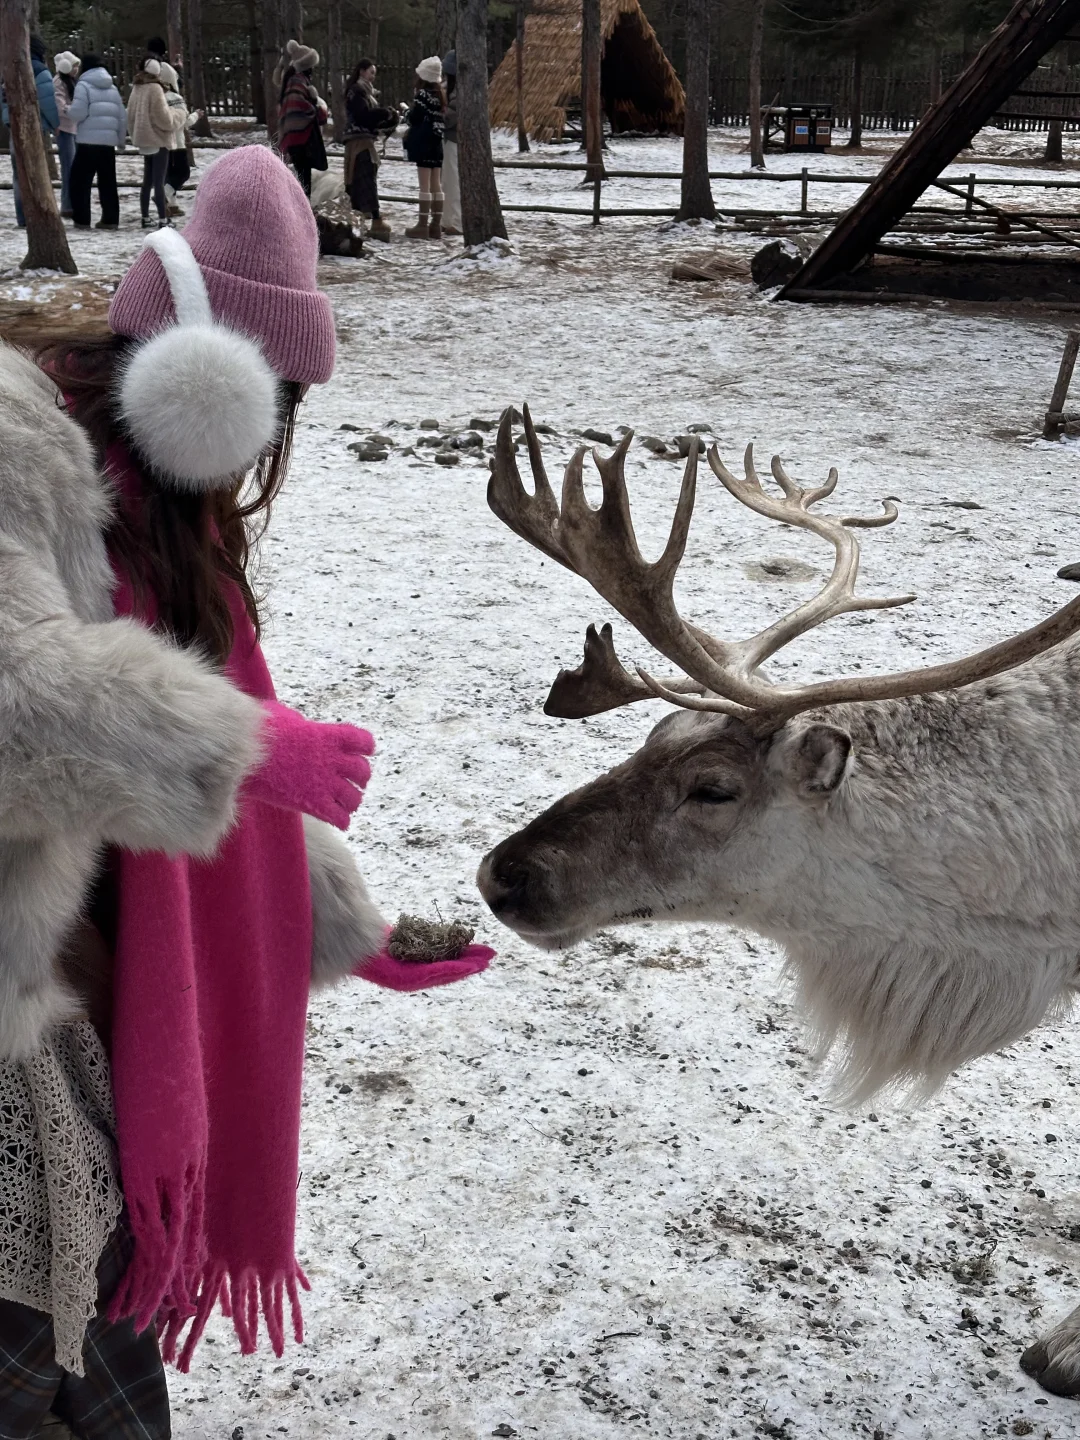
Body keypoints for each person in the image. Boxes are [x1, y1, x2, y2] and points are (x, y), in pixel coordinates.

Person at [0, 145, 492, 1435]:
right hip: (19, 1051)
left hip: (80, 1022)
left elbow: (209, 806)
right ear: (187, 374)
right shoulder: (16, 451)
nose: (262, 437)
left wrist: (346, 931)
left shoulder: (172, 513)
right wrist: (246, 749)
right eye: (262, 393)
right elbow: (18, 695)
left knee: (96, 1364)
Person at [2, 35, 59, 228]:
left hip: (13, 124)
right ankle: (38, 213)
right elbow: (48, 102)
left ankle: (22, 216)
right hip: (35, 126)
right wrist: (55, 124)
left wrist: (7, 119)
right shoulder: (40, 71)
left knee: (19, 173)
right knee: (36, 171)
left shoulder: (7, 68)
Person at [67, 54, 126, 230]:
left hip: (87, 142)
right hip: (108, 144)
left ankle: (82, 219)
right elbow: (122, 116)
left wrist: (66, 109)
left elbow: (78, 113)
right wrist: (121, 141)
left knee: (79, 182)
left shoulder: (83, 86)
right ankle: (110, 219)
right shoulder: (113, 88)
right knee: (108, 182)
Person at [343, 58, 397, 242]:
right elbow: (363, 116)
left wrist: (389, 118)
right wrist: (384, 113)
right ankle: (372, 220)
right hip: (359, 143)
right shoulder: (356, 92)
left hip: (365, 141)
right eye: (371, 72)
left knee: (365, 179)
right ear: (362, 72)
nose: (373, 77)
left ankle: (368, 219)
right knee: (362, 180)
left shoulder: (365, 93)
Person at [126, 57, 176, 229]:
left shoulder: (137, 87)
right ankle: (163, 219)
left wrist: (134, 133)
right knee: (159, 180)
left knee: (147, 180)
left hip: (142, 138)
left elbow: (130, 113)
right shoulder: (155, 88)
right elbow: (162, 117)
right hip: (157, 137)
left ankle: (145, 216)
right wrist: (171, 121)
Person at [277, 39, 328, 196]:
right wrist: (318, 108)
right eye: (312, 66)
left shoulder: (298, 81)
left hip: (300, 140)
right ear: (307, 66)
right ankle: (302, 214)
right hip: (301, 140)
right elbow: (299, 109)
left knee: (303, 179)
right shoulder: (297, 82)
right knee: (303, 181)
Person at [403, 56, 445, 239]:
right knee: (437, 184)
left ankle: (422, 225)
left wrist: (405, 111)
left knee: (424, 186)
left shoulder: (422, 96)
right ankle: (435, 225)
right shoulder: (440, 96)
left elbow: (414, 118)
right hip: (437, 142)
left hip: (424, 142)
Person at [158, 61, 190, 216]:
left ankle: (172, 205)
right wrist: (197, 114)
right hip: (177, 142)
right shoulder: (175, 97)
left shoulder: (158, 96)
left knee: (169, 174)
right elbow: (185, 121)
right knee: (183, 173)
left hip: (163, 142)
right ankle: (163, 195)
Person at [52, 52, 80, 218]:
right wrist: (74, 110)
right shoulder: (59, 83)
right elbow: (60, 106)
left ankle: (71, 203)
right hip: (65, 129)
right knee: (68, 168)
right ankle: (67, 205)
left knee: (73, 168)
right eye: (74, 66)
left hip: (73, 127)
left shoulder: (70, 82)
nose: (76, 69)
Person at [441, 50, 461, 237]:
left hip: (455, 139)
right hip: (448, 139)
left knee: (454, 181)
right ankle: (446, 219)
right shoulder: (449, 89)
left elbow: (452, 116)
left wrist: (440, 116)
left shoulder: (460, 91)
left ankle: (457, 221)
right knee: (446, 181)